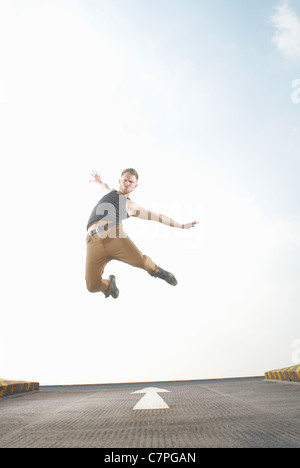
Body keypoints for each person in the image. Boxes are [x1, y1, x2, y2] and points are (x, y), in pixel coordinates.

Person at [86, 168, 198, 299]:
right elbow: (104, 186)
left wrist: (181, 225)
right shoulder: (110, 193)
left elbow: (158, 216)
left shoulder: (131, 206)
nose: (127, 183)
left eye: (131, 182)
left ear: (135, 186)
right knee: (91, 286)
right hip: (92, 241)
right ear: (120, 181)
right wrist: (98, 181)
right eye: (125, 180)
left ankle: (158, 271)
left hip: (113, 236)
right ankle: (109, 287)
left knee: (140, 261)